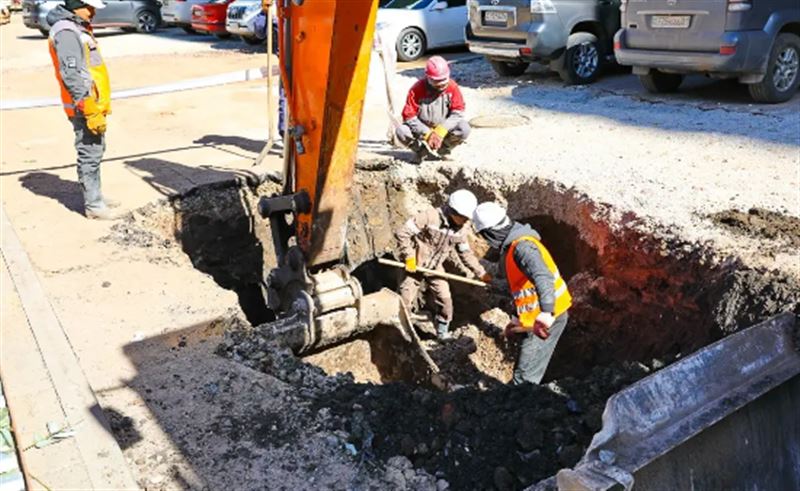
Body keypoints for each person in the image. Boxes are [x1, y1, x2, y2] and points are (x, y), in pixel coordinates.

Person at [472, 202, 572, 385]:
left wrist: (546, 312)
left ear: (490, 233)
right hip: (534, 318)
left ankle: (520, 405)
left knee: (524, 377)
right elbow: (523, 289)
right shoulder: (513, 248)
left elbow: (543, 276)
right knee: (525, 368)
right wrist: (517, 320)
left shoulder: (523, 248)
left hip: (548, 319)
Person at [47, 0, 118, 219]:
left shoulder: (77, 27)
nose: (93, 11)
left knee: (95, 149)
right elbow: (73, 75)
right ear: (77, 5)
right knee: (89, 151)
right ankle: (94, 206)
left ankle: (96, 196)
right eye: (90, 6)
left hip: (91, 102)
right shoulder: (67, 32)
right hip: (83, 105)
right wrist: (89, 109)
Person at [396, 190, 490, 340]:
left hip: (435, 268)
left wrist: (481, 273)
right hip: (415, 264)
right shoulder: (430, 216)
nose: (466, 221)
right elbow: (402, 233)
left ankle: (442, 334)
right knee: (404, 300)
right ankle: (402, 334)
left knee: (446, 301)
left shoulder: (461, 230)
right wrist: (409, 257)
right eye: (464, 217)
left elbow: (465, 253)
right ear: (453, 212)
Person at [396, 56, 470, 163]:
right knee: (402, 131)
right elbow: (409, 116)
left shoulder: (452, 87)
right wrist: (427, 133)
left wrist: (440, 131)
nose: (441, 84)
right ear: (428, 77)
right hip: (422, 129)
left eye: (444, 80)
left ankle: (444, 148)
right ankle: (421, 151)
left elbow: (457, 113)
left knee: (464, 128)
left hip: (444, 128)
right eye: (437, 81)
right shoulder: (417, 89)